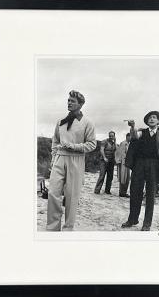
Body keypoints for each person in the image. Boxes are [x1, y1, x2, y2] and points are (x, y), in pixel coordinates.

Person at [46, 90, 96, 231]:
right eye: (68, 100)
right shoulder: (61, 121)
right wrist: (53, 157)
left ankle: (68, 229)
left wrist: (74, 147)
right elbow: (55, 141)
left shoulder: (87, 123)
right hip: (59, 159)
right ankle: (52, 228)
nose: (69, 102)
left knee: (72, 196)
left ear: (80, 104)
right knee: (53, 193)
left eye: (72, 101)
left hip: (76, 160)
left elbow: (92, 144)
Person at [121, 111, 159, 231]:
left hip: (154, 166)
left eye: (154, 117)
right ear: (147, 121)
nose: (151, 119)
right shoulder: (141, 132)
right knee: (135, 192)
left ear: (158, 121)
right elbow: (134, 136)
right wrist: (132, 126)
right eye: (149, 118)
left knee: (150, 195)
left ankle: (147, 224)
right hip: (139, 164)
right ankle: (132, 219)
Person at [115, 133, 131, 197]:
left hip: (127, 163)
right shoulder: (123, 143)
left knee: (127, 178)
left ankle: (124, 192)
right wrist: (119, 161)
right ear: (127, 137)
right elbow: (119, 153)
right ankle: (121, 192)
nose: (131, 138)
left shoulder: (129, 144)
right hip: (123, 163)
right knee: (123, 177)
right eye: (130, 137)